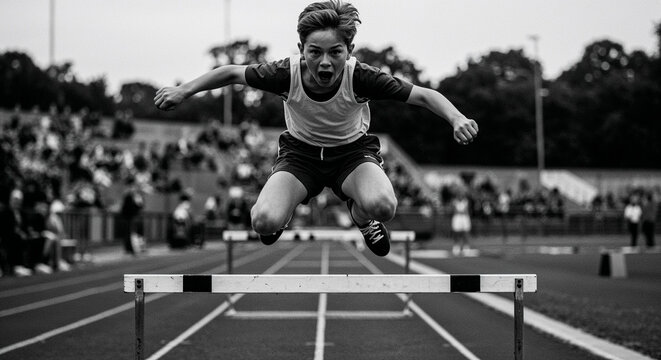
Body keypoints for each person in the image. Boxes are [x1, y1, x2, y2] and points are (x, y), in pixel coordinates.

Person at [154, 1, 478, 256]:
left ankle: (363, 218)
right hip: (300, 156)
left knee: (385, 206)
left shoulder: (361, 77)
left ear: (349, 52)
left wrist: (456, 117)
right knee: (262, 222)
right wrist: (184, 90)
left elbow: (422, 95)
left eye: (335, 52)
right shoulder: (285, 74)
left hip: (352, 155)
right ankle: (283, 212)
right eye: (315, 52)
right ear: (300, 49)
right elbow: (229, 73)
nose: (325, 63)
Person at [451, 190, 472, 256]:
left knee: (465, 232)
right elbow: (455, 211)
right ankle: (456, 246)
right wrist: (460, 212)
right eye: (459, 194)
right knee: (456, 233)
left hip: (464, 218)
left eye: (461, 195)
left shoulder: (466, 201)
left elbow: (465, 211)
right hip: (457, 218)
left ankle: (466, 246)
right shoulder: (454, 201)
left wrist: (461, 212)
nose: (460, 196)